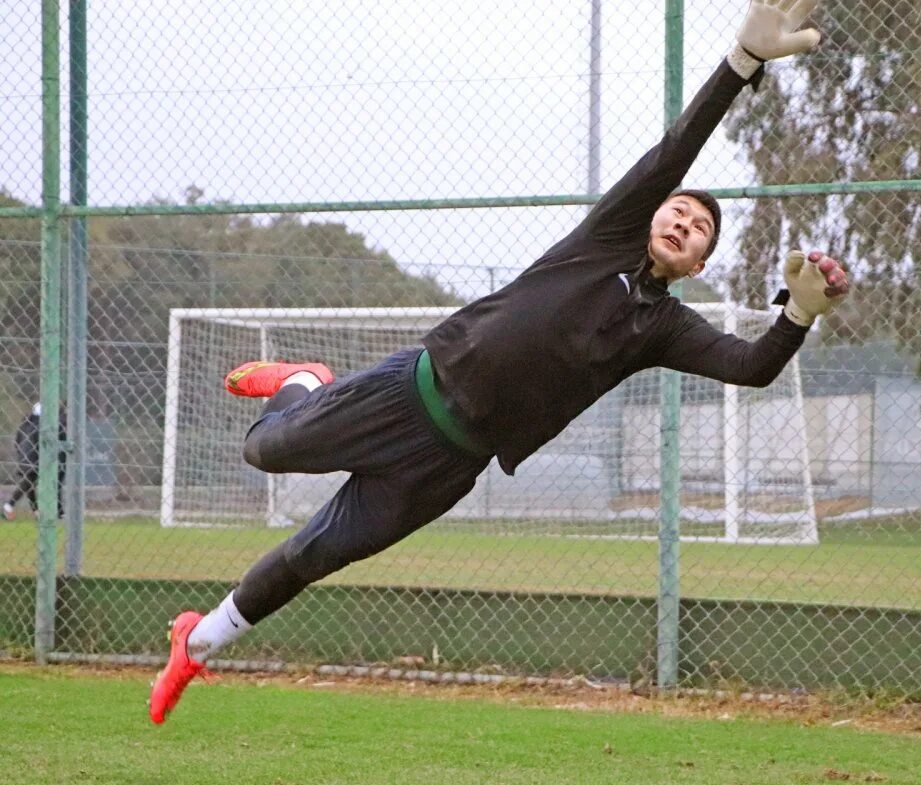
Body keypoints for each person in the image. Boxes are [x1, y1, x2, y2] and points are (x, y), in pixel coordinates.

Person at [149, 0, 850, 724]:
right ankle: (304, 381)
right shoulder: (608, 236)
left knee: (314, 555)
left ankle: (195, 644)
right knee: (265, 449)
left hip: (450, 464)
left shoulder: (663, 328)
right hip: (407, 394)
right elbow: (678, 148)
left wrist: (797, 314)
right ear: (650, 215)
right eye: (678, 210)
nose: (684, 221)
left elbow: (752, 365)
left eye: (701, 228)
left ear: (700, 261)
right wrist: (742, 64)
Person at [3, 402, 65, 520]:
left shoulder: (25, 424)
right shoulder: (42, 426)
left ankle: (36, 511)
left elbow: (17, 442)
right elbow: (42, 444)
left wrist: (22, 454)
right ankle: (9, 505)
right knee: (28, 483)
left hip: (24, 458)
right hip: (35, 459)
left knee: (29, 485)